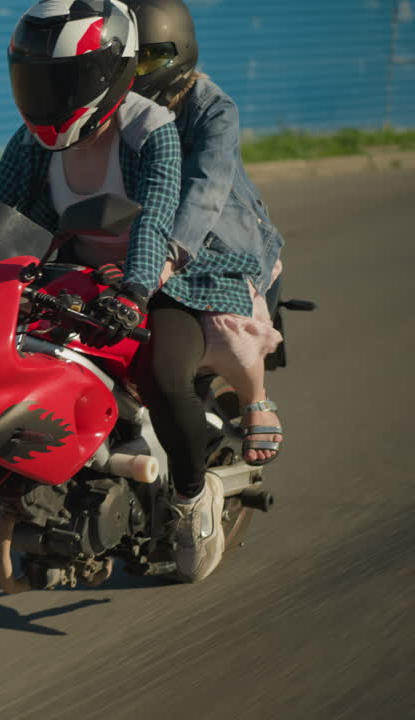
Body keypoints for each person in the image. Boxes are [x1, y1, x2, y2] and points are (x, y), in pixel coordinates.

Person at [0, 0, 246, 581]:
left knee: (163, 376)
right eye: (39, 80)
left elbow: (153, 220)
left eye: (66, 80)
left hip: (160, 279)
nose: (50, 96)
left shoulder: (152, 130)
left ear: (109, 75)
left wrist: (135, 290)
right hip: (76, 276)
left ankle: (192, 496)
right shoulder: (32, 141)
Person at [126, 0, 286, 467]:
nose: (135, 72)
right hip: (144, 230)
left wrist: (168, 256)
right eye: (128, 60)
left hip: (220, 237)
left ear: (180, 52)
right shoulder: (119, 108)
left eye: (149, 59)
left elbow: (206, 190)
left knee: (222, 325)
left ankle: (256, 399)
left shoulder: (212, 106)